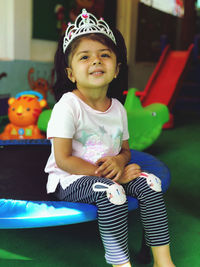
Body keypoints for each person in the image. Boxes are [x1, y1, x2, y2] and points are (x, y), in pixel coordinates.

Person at [45, 9, 175, 267]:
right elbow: (63, 159)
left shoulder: (117, 107)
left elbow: (125, 150)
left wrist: (119, 162)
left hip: (110, 174)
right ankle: (120, 263)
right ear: (71, 74)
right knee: (113, 192)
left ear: (116, 69)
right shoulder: (67, 106)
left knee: (151, 184)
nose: (95, 61)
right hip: (71, 179)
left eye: (104, 55)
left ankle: (164, 262)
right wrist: (110, 174)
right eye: (85, 57)